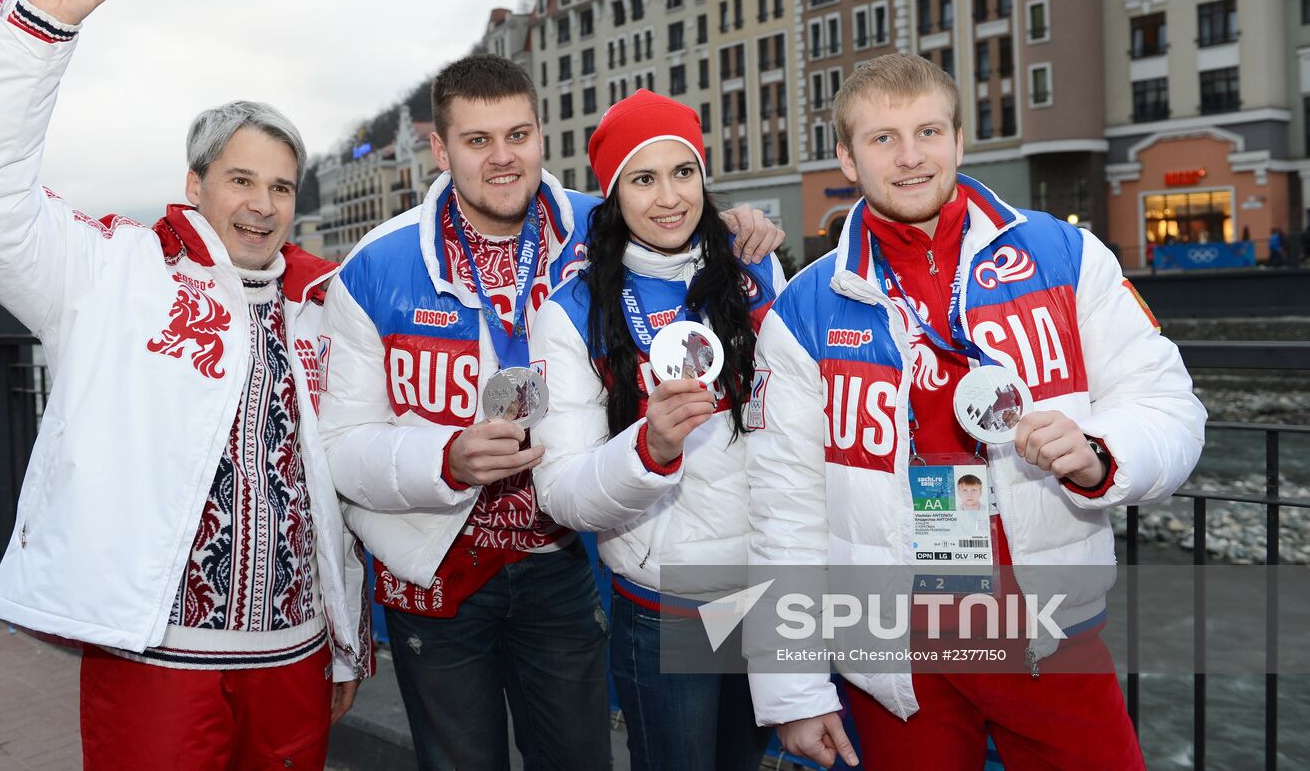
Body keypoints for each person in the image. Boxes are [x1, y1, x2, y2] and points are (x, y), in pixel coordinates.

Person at [0, 0, 370, 769]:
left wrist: (343, 637)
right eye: (241, 180)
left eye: (280, 185)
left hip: (294, 660)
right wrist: (43, 25)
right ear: (195, 184)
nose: (263, 205)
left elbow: (327, 481)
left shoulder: (320, 306)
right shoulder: (113, 272)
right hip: (156, 659)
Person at [318, 59, 783, 770]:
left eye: (519, 134)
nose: (503, 157)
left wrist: (738, 224)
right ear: (440, 152)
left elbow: (670, 210)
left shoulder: (593, 232)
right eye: (477, 141)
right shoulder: (375, 268)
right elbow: (339, 447)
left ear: (542, 138)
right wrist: (442, 460)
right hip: (434, 565)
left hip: (558, 560)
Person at [745, 53, 1204, 770]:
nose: (909, 157)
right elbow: (785, 510)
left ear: (959, 139)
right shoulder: (803, 310)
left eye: (928, 131)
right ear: (846, 156)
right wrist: (794, 688)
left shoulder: (1065, 254)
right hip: (895, 651)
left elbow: (1168, 402)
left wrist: (1101, 452)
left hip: (1047, 632)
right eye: (882, 138)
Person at [528, 91, 782, 771]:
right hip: (669, 603)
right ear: (613, 194)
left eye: (684, 172)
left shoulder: (755, 269)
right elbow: (560, 495)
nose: (669, 197)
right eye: (643, 178)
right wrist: (650, 449)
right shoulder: (573, 311)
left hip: (765, 591)